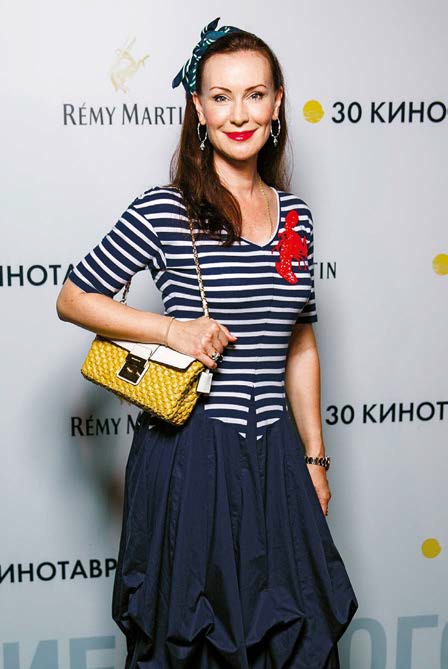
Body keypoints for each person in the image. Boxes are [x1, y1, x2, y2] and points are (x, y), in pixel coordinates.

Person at [56, 17, 358, 669]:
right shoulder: (165, 209)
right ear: (198, 108)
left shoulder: (296, 217)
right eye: (221, 97)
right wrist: (171, 330)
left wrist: (315, 458)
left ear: (277, 103)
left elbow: (299, 341)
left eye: (255, 95)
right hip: (191, 456)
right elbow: (73, 297)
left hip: (276, 457)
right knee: (192, 639)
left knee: (293, 635)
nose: (238, 113)